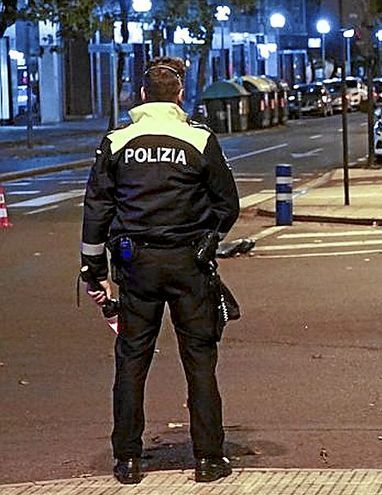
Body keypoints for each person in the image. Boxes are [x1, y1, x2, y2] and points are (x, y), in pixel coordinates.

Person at [80, 57, 240, 485]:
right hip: (189, 263)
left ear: (143, 96)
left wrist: (93, 266)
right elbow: (228, 203)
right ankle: (208, 459)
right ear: (181, 95)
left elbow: (97, 207)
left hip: (136, 265)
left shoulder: (117, 141)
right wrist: (210, 236)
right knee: (200, 359)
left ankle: (128, 460)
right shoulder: (198, 138)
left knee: (132, 359)